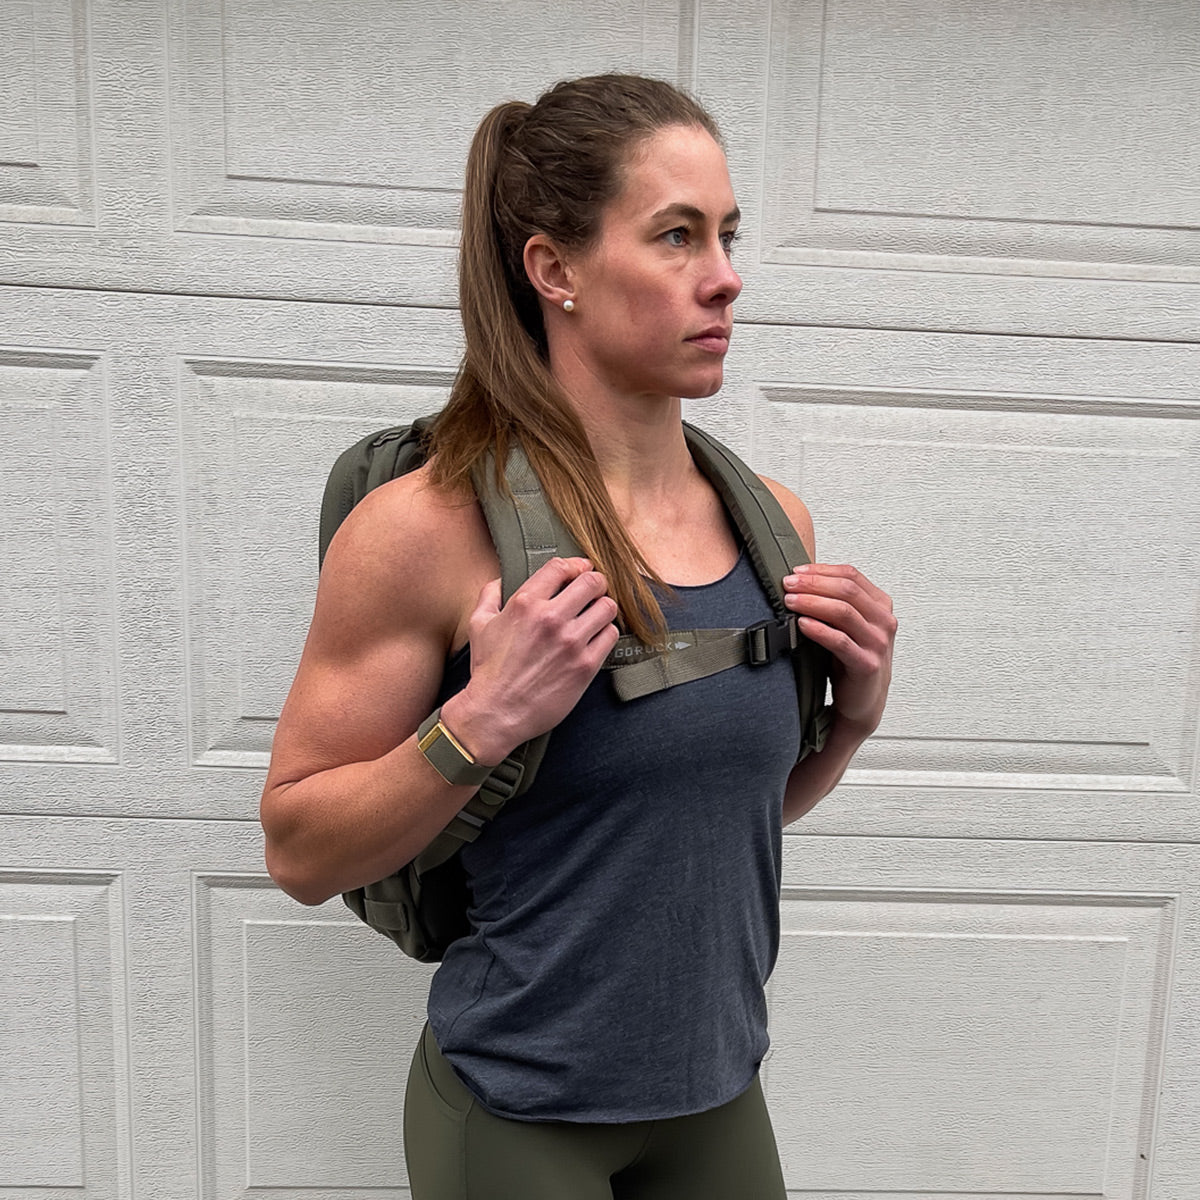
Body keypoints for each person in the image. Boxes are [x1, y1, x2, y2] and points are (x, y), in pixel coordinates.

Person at [260, 74, 896, 1200]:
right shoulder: (429, 528)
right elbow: (300, 851)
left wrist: (844, 732)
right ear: (555, 269)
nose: (726, 276)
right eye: (676, 237)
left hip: (717, 1098)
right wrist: (479, 721)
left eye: (728, 234)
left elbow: (683, 820)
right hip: (516, 1116)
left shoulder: (773, 527)